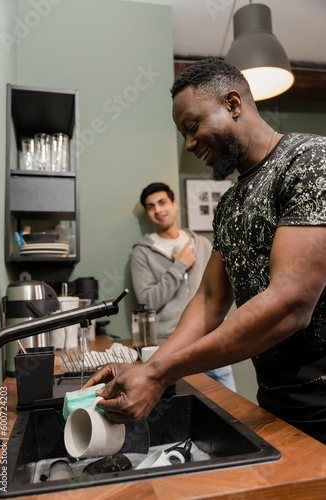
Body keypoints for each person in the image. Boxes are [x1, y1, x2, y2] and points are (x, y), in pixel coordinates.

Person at [84, 58, 326, 444]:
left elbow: (291, 304)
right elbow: (210, 300)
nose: (190, 144)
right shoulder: (229, 204)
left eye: (192, 127)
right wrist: (148, 366)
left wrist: (162, 373)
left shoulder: (310, 162)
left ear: (232, 103)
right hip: (276, 402)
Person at [130, 182, 236, 391]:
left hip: (212, 342)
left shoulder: (203, 244)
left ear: (175, 205)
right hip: (171, 347)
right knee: (184, 412)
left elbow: (221, 290)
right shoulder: (142, 253)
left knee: (232, 411)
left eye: (162, 202)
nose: (158, 210)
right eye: (151, 207)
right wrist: (179, 265)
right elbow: (147, 302)